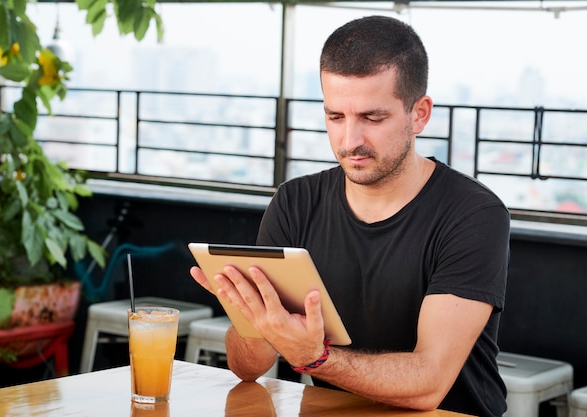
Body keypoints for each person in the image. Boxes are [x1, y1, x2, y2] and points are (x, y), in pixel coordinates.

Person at [190, 15, 509, 417]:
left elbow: (428, 383)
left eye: (372, 119)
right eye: (335, 117)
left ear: (419, 114)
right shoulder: (295, 202)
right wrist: (254, 320)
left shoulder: (473, 214)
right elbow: (246, 369)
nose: (349, 141)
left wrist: (314, 358)